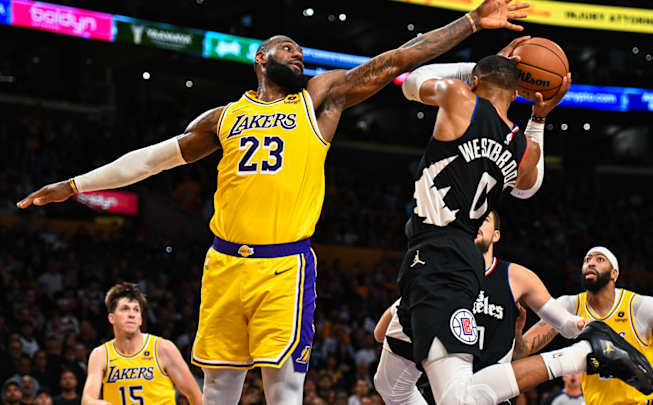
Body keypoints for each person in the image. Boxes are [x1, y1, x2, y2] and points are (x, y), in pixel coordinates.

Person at [17, 1, 531, 403]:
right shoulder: (222, 118)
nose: (298, 55)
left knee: (284, 389)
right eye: (288, 48)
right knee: (218, 388)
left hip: (285, 266)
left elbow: (396, 60)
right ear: (261, 58)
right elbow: (151, 160)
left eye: (301, 52)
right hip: (224, 264)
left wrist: (470, 23)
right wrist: (75, 184)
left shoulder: (319, 99)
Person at [375, 211, 653, 405]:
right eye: (471, 220)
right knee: (391, 387)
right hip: (438, 389)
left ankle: (587, 352)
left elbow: (563, 323)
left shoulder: (515, 276)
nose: (476, 223)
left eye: (484, 219)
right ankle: (587, 352)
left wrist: (582, 326)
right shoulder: (441, 278)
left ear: (496, 234)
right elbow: (380, 334)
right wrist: (412, 308)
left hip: (491, 393)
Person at [518, 247, 653, 405]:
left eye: (600, 259)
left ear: (614, 273)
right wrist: (517, 333)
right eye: (587, 260)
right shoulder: (568, 306)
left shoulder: (640, 306)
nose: (591, 263)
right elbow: (522, 350)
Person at [80, 283, 202, 405]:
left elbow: (195, 395)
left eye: (136, 310)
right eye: (125, 309)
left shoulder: (163, 348)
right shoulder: (101, 354)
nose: (132, 314)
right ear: (111, 318)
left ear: (140, 319)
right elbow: (87, 399)